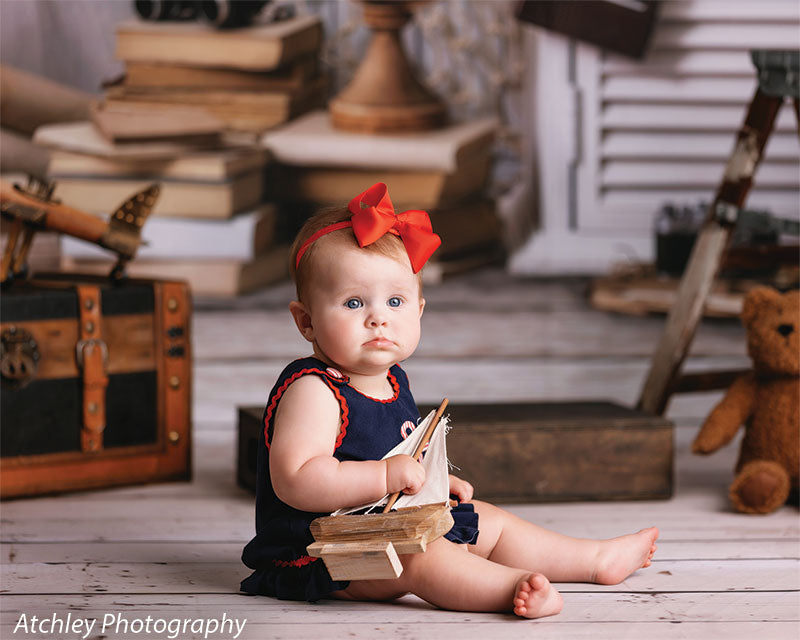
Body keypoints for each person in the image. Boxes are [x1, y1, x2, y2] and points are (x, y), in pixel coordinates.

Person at [241, 183, 658, 618]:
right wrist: (384, 476)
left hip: (386, 519)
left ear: (419, 311)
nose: (378, 316)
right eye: (353, 302)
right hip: (323, 551)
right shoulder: (314, 389)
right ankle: (512, 587)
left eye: (395, 301)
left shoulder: (392, 379)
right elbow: (298, 479)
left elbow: (402, 453)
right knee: (419, 558)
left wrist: (432, 484)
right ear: (306, 321)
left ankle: (593, 561)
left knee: (486, 520)